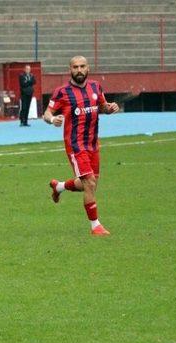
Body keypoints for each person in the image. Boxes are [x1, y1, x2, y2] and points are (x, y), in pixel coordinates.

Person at [45, 56, 120, 236]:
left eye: (82, 66)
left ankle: (59, 187)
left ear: (88, 68)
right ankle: (95, 226)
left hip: (93, 143)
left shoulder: (96, 87)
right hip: (75, 145)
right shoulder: (62, 92)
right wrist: (52, 119)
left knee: (89, 185)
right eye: (75, 67)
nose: (79, 70)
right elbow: (47, 113)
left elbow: (101, 106)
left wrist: (109, 108)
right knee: (89, 182)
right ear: (70, 69)